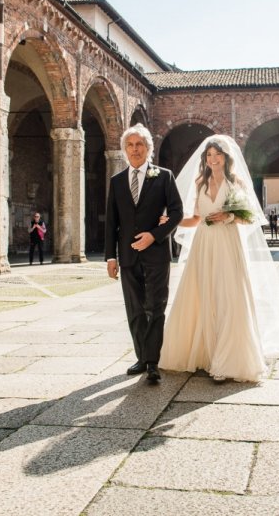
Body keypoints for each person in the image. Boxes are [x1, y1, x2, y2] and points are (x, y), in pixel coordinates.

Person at [159, 135, 279, 383]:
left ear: (225, 158)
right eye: (209, 155)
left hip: (228, 243)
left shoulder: (236, 182)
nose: (213, 159)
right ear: (205, 159)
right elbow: (195, 219)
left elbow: (248, 218)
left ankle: (227, 359)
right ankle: (204, 353)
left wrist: (227, 217)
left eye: (217, 155)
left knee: (228, 295)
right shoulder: (200, 184)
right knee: (203, 292)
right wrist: (171, 222)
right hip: (204, 244)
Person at [105, 124, 183, 384]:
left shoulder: (164, 176)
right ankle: (141, 357)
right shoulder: (116, 182)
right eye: (130, 145)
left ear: (149, 149)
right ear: (124, 149)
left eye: (140, 145)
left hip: (157, 254)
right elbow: (112, 223)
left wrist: (154, 235)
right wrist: (111, 257)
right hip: (127, 256)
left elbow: (176, 213)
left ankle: (153, 362)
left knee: (156, 307)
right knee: (135, 309)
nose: (135, 149)